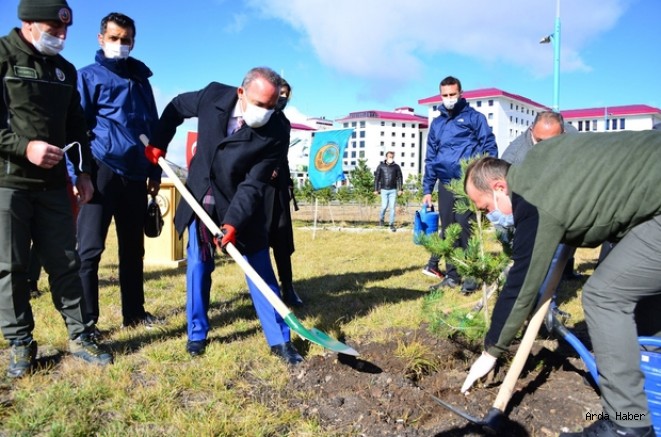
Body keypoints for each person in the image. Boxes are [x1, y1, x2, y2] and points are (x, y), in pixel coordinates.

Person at [461, 130, 661, 437]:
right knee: (633, 285)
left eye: (486, 208)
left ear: (500, 187)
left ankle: (627, 425)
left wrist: (491, 351)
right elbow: (593, 189)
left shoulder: (534, 200)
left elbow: (521, 285)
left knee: (604, 295)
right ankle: (649, 383)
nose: (489, 217)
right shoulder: (543, 162)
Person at [145, 67, 303, 365]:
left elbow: (255, 182)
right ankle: (196, 334)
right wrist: (159, 141)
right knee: (198, 265)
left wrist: (233, 222)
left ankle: (280, 340)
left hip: (241, 202)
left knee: (259, 268)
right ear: (241, 93)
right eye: (259, 104)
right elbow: (177, 106)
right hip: (202, 195)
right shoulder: (213, 96)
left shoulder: (278, 129)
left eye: (272, 106)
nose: (265, 112)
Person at [0, 0, 113, 378]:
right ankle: (20, 343)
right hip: (8, 183)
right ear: (28, 23)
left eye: (66, 30)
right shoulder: (3, 57)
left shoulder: (64, 70)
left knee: (66, 262)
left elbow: (76, 126)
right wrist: (24, 147)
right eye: (54, 30)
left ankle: (81, 336)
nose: (62, 36)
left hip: (53, 187)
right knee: (11, 267)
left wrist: (83, 173)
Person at [74, 12, 163, 331]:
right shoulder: (87, 77)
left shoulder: (141, 81)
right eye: (114, 38)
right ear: (101, 39)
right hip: (101, 171)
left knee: (133, 249)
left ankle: (134, 313)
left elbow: (152, 127)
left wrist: (155, 172)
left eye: (126, 40)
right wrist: (79, 172)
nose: (120, 44)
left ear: (133, 43)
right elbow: (76, 127)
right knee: (89, 250)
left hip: (136, 175)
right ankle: (86, 323)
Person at [422, 76, 498, 292]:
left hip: (468, 184)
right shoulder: (437, 124)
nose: (449, 98)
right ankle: (452, 275)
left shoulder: (475, 118)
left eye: (452, 94)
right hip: (445, 184)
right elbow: (431, 157)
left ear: (460, 93)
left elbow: (489, 147)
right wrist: (428, 188)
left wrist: (484, 179)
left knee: (466, 229)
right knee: (449, 231)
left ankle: (471, 276)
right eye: (445, 95)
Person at [501, 110, 583, 282]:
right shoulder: (515, 157)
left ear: (563, 133)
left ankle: (565, 270)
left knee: (569, 234)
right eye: (539, 141)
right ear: (532, 130)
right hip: (531, 197)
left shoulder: (574, 139)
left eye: (551, 141)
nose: (544, 147)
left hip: (563, 191)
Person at [268, 79, 303, 306]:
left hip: (279, 187)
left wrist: (287, 181)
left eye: (286, 95)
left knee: (282, 239)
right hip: (258, 188)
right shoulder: (254, 117)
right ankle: (266, 290)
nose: (282, 98)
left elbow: (283, 156)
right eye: (279, 93)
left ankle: (288, 287)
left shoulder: (284, 122)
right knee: (259, 243)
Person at [373, 150, 403, 232]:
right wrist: (376, 189)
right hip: (384, 190)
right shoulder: (381, 166)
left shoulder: (396, 167)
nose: (391, 158)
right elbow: (377, 178)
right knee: (384, 206)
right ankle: (381, 220)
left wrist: (400, 189)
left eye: (392, 156)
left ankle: (391, 224)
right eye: (389, 156)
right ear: (386, 157)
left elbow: (400, 178)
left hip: (393, 190)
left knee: (392, 208)